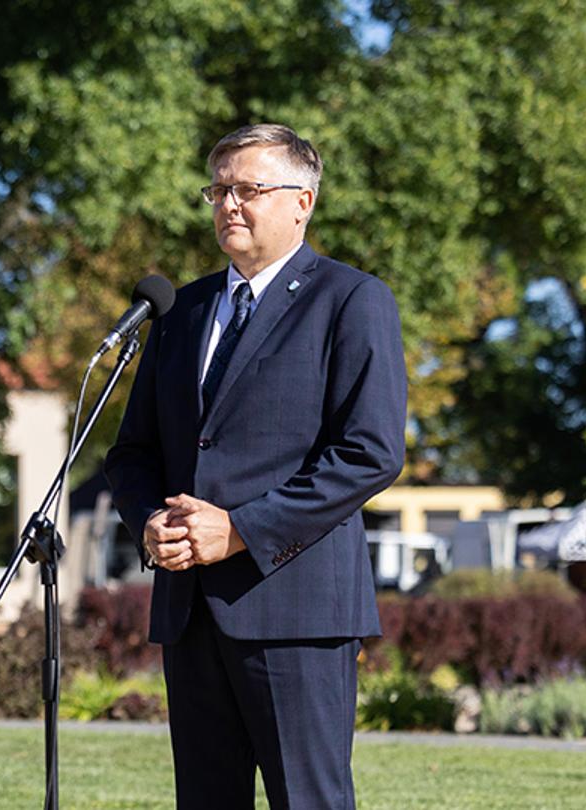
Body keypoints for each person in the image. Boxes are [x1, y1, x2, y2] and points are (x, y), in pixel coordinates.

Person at [103, 124, 407, 808]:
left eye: (248, 189)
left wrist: (240, 529)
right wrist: (151, 520)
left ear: (302, 201)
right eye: (218, 190)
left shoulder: (351, 301)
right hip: (191, 611)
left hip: (297, 611)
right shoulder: (179, 312)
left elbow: (370, 452)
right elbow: (132, 454)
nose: (228, 205)